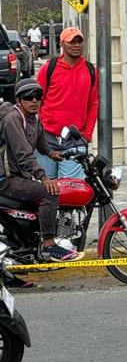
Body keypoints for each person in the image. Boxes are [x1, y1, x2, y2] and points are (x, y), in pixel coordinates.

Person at [0, 78, 81, 262]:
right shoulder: (13, 118)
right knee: (49, 193)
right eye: (28, 97)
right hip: (6, 179)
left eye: (38, 96)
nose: (34, 100)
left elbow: (41, 143)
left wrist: (54, 153)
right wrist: (43, 177)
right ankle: (49, 245)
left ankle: (30, 245)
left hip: (19, 176)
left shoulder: (34, 118)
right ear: (18, 100)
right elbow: (24, 154)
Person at [35, 26, 96, 181]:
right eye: (71, 42)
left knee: (72, 189)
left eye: (79, 41)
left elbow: (93, 104)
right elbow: (36, 101)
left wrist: (86, 135)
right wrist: (37, 131)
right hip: (46, 138)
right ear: (62, 44)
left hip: (75, 140)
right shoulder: (49, 68)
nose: (76, 45)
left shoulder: (90, 70)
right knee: (46, 190)